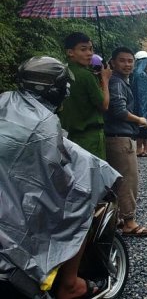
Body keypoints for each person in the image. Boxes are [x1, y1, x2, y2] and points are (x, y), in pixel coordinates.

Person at [0, 56, 119, 299]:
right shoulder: (44, 121)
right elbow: (53, 169)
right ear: (57, 90)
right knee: (78, 200)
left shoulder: (5, 100)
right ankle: (69, 283)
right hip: (13, 203)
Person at [104, 47, 147, 237]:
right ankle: (129, 223)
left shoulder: (120, 80)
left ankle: (117, 218)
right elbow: (118, 111)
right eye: (122, 61)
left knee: (118, 180)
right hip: (119, 138)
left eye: (130, 61)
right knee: (127, 181)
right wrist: (139, 120)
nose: (127, 64)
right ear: (113, 63)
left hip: (118, 137)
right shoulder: (116, 82)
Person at [59, 32, 112, 159]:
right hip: (90, 138)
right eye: (83, 49)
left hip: (67, 137)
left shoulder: (62, 72)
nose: (89, 53)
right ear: (70, 52)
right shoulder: (86, 76)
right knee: (94, 176)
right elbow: (104, 105)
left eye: (91, 49)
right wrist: (105, 79)